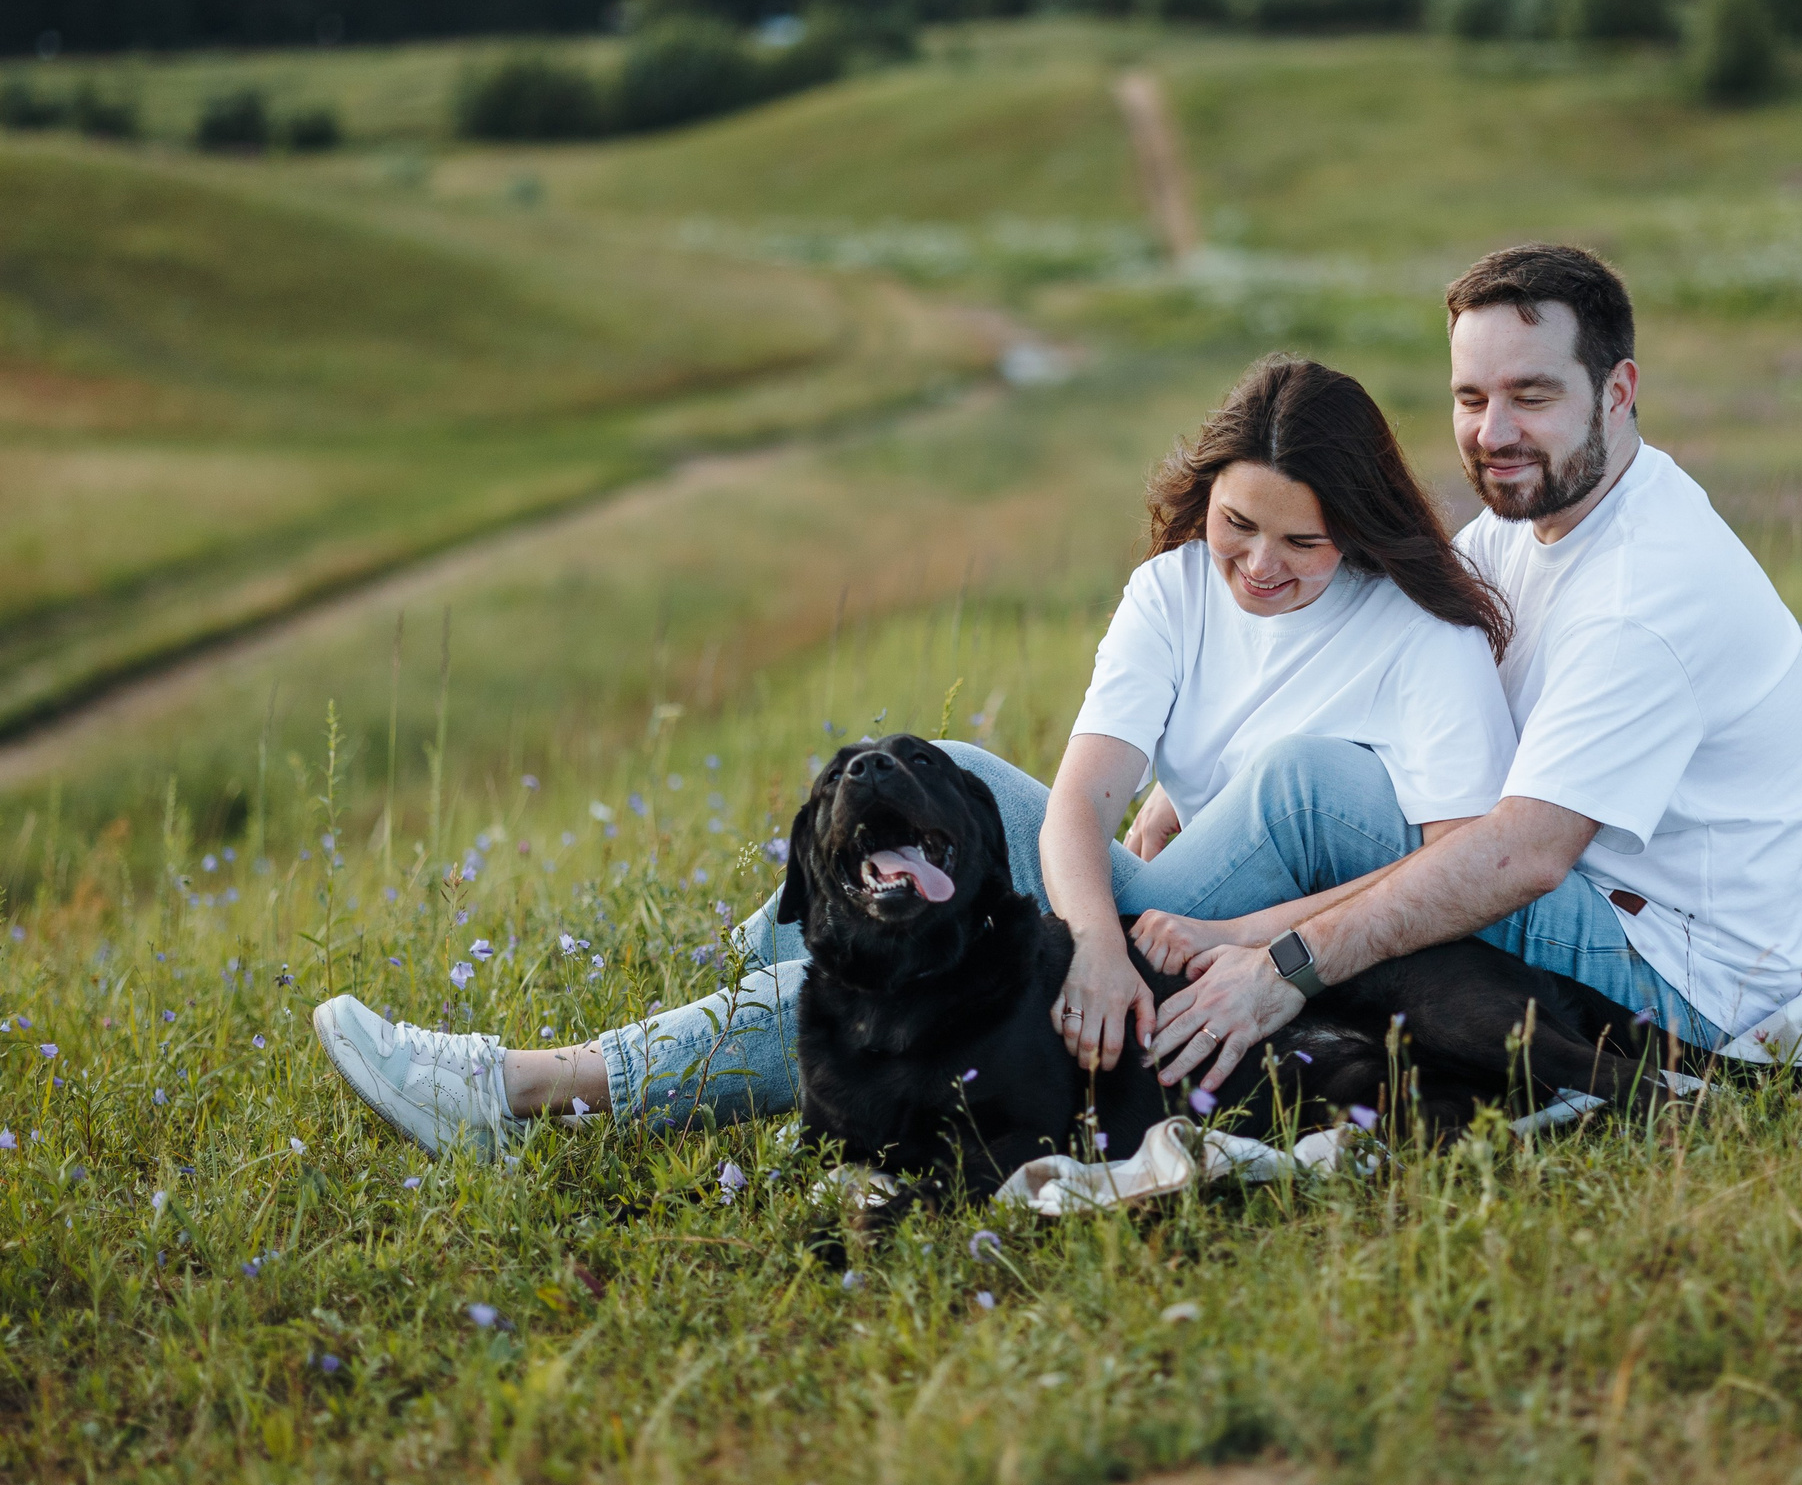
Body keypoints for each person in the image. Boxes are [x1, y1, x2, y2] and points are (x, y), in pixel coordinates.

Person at [311, 355, 1522, 1155]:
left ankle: (530, 1085)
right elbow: (1082, 801)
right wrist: (1098, 941)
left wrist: (1253, 941)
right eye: (1235, 526)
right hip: (1157, 918)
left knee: (939, 924)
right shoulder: (1172, 591)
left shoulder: (1421, 636)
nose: (1258, 566)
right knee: (940, 779)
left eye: (1302, 543)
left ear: (1360, 526)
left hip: (1281, 941)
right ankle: (756, 988)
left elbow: (1453, 870)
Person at [1136, 242, 1802, 1093]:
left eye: (1531, 397)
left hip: (1687, 977)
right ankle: (1121, 929)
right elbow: (1373, 654)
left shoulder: (1642, 596)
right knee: (1302, 775)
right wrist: (1187, 783)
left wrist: (1283, 960)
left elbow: (1524, 855)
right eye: (1471, 398)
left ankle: (1103, 951)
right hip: (1601, 902)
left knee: (1308, 791)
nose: (1493, 434)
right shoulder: (1531, 516)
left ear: (1617, 392)